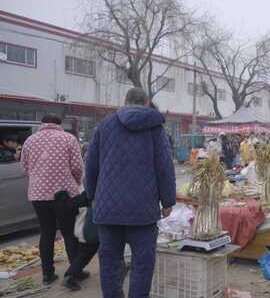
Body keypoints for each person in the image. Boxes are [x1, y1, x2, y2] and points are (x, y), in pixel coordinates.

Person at [85, 87, 176, 298]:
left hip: (108, 210)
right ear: (146, 103)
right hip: (142, 210)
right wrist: (168, 201)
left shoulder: (105, 125)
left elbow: (90, 165)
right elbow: (164, 167)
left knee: (109, 263)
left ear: (124, 101)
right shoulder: (155, 127)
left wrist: (91, 196)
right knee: (142, 265)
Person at [20, 114, 83, 285]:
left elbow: (24, 168)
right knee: (69, 233)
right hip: (64, 195)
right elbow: (77, 166)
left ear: (42, 124)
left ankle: (47, 274)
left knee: (46, 232)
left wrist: (38, 180)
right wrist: (76, 183)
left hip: (38, 195)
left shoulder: (30, 141)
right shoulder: (69, 139)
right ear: (59, 124)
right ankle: (74, 272)